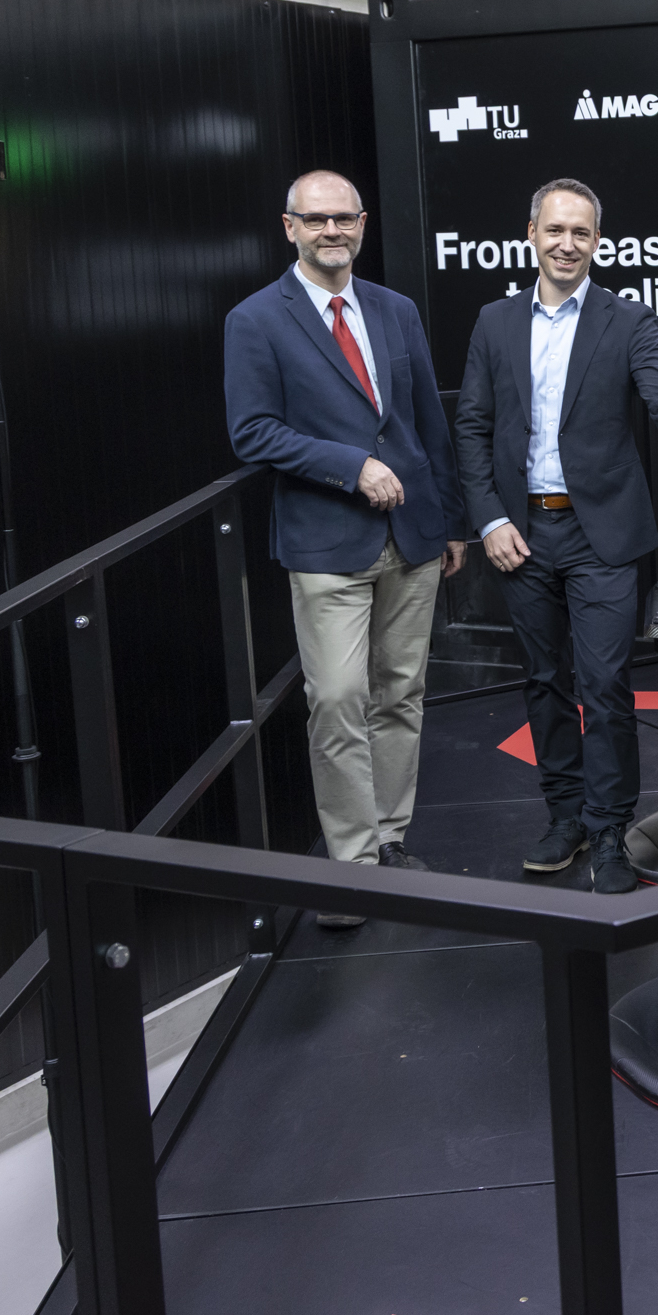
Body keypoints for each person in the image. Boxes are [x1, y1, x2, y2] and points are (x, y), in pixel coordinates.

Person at [225, 170, 468, 929]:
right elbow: (252, 431)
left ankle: (389, 842)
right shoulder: (255, 320)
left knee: (401, 693)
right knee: (336, 699)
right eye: (317, 220)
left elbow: (428, 418)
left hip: (415, 537)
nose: (333, 231)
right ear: (289, 227)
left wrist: (451, 520)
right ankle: (352, 866)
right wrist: (350, 466)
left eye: (345, 219)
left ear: (362, 224)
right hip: (326, 541)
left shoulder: (395, 311)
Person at [455, 178, 658, 895]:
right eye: (555, 230)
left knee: (604, 687)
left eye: (582, 233)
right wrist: (490, 520)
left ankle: (607, 831)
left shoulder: (626, 321)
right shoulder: (493, 322)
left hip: (601, 536)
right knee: (542, 683)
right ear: (530, 232)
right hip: (521, 533)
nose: (568, 244)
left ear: (598, 242)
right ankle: (563, 817)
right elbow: (472, 427)